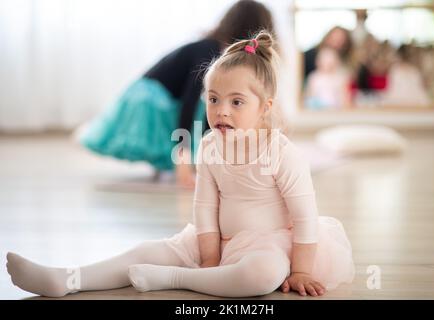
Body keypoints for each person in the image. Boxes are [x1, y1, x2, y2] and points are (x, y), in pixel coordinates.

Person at [6, 31, 354, 298]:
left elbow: (305, 216)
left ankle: (176, 280)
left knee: (263, 275)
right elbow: (205, 207)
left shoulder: (282, 152)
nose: (222, 111)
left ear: (264, 107)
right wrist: (208, 256)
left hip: (268, 245)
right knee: (148, 250)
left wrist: (302, 271)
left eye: (236, 102)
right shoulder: (210, 145)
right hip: (215, 241)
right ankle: (68, 279)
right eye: (214, 99)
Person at [77, 0, 275, 189]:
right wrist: (184, 156)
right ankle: (179, 159)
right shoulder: (209, 50)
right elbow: (189, 104)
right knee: (198, 111)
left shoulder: (218, 55)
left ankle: (182, 159)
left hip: (161, 96)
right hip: (149, 99)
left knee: (209, 107)